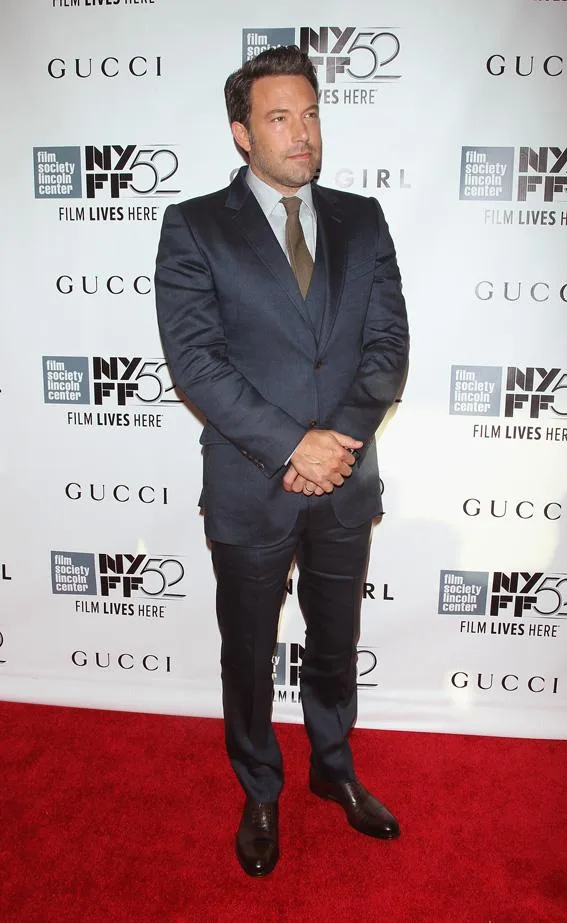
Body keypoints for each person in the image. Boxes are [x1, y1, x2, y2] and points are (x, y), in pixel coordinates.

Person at [155, 45, 409, 877]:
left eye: (310, 114)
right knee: (247, 648)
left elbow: (387, 347)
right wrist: (288, 446)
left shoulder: (360, 217)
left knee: (335, 644)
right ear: (240, 132)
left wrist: (333, 444)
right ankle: (258, 785)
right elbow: (196, 362)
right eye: (277, 118)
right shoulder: (193, 226)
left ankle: (332, 771)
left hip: (343, 480)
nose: (300, 134)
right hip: (248, 482)